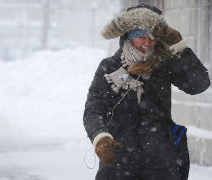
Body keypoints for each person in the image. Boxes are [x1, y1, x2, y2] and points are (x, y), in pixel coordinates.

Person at [83, 3, 210, 180]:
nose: (148, 44)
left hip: (160, 162)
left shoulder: (165, 64)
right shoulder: (109, 66)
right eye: (141, 37)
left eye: (152, 38)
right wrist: (100, 138)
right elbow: (93, 109)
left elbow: (199, 84)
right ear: (129, 36)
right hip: (120, 161)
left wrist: (179, 47)